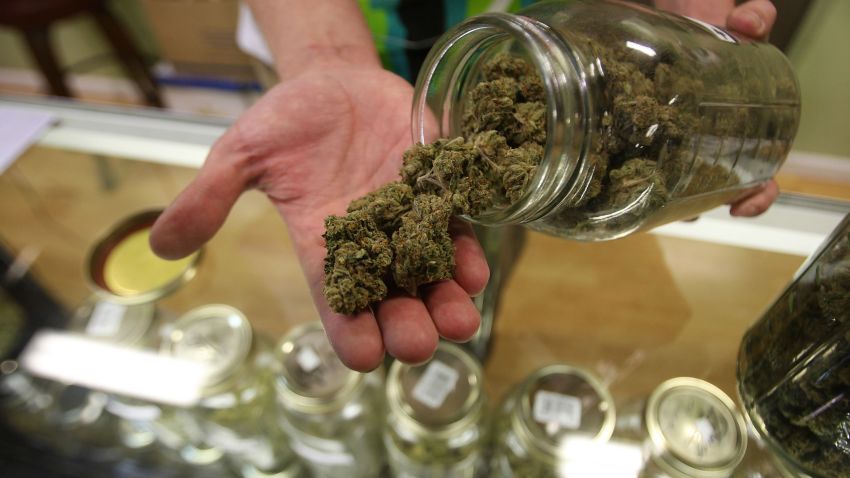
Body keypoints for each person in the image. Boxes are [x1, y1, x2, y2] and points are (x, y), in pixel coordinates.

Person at [150, 0, 780, 372]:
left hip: (551, 44)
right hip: (326, 25)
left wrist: (680, 35)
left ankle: (486, 318)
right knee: (484, 241)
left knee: (507, 230)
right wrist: (324, 56)